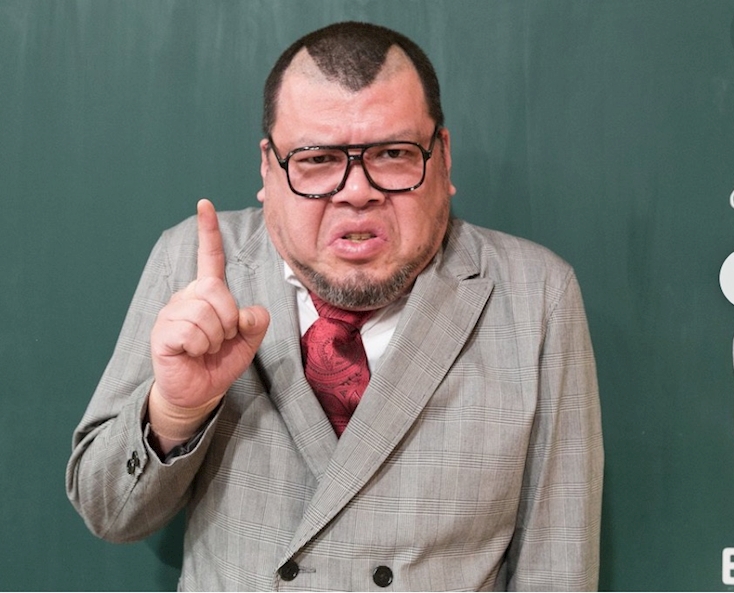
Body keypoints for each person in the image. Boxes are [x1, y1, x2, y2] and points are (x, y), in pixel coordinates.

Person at [66, 21, 603, 591]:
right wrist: (175, 412)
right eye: (318, 158)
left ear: (443, 159)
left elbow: (558, 569)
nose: (356, 191)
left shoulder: (535, 295)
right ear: (268, 169)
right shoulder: (197, 265)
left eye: (393, 153)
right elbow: (109, 514)